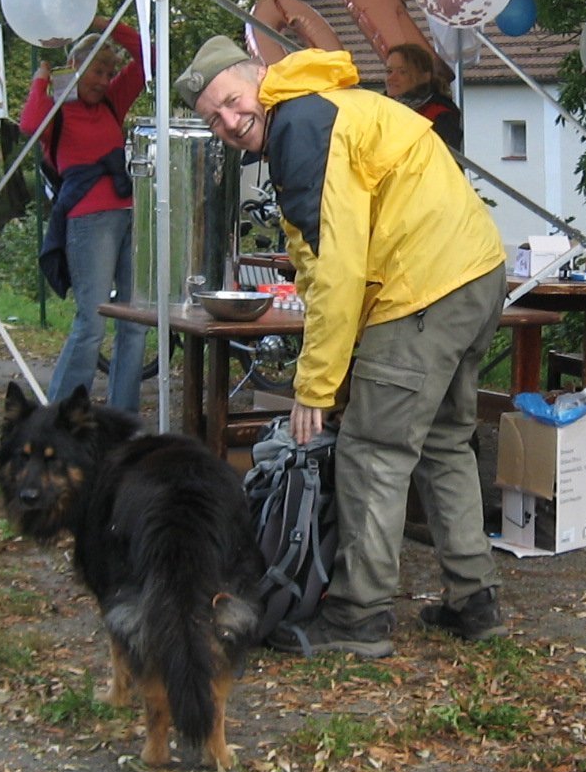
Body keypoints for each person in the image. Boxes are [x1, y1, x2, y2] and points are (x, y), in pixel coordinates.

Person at [179, 35, 509, 658]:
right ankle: (476, 599)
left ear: (259, 78)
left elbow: (338, 264)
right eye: (212, 118)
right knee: (442, 439)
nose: (228, 120)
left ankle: (360, 617)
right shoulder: (317, 108)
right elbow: (316, 255)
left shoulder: (301, 126)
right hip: (473, 273)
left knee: (371, 450)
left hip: (421, 286)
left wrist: (315, 385)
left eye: (230, 99)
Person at [22, 19, 147, 410]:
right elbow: (29, 124)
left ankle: (121, 414)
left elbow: (149, 57)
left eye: (109, 73)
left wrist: (101, 22)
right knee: (92, 323)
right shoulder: (58, 111)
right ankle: (59, 411)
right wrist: (42, 78)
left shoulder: (112, 101)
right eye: (96, 70)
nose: (104, 80)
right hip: (88, 222)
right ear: (74, 65)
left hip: (129, 216)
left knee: (136, 322)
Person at [383, 42, 463, 150]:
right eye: (389, 71)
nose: (391, 78)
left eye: (403, 72)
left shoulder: (440, 114)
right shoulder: (379, 109)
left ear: (424, 77)